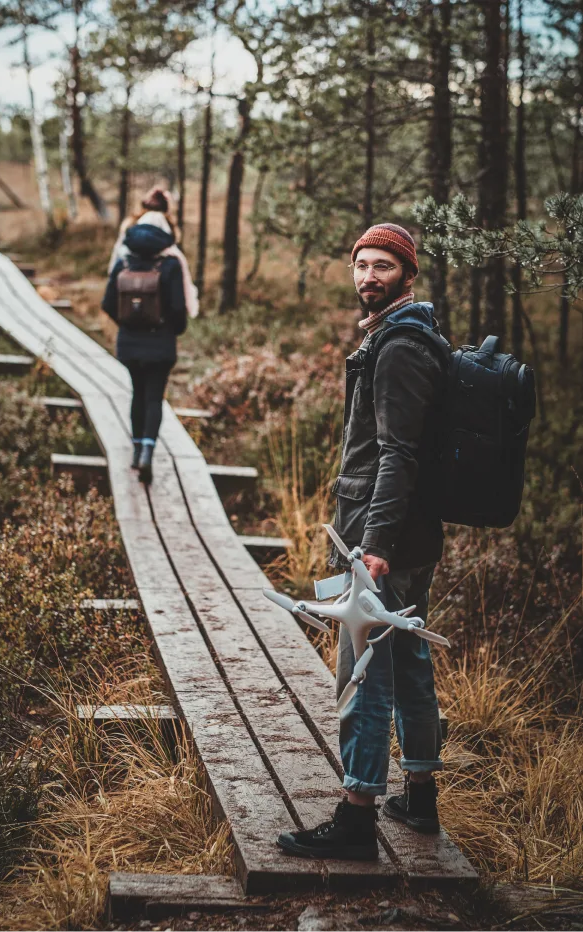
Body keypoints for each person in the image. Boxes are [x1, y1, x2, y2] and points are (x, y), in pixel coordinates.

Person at [277, 223, 447, 861]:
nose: (368, 276)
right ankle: (420, 798)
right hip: (411, 536)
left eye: (382, 266)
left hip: (381, 543)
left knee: (363, 673)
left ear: (408, 274)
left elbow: (398, 456)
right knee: (407, 663)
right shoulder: (411, 337)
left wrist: (373, 545)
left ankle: (356, 818)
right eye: (361, 265)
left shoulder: (400, 347)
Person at [102, 187, 198, 483]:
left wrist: (128, 324)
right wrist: (172, 330)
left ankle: (134, 451)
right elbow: (179, 309)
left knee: (137, 395)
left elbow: (108, 303)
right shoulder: (170, 263)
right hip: (161, 343)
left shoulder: (124, 260)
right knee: (154, 397)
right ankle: (147, 453)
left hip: (129, 344)